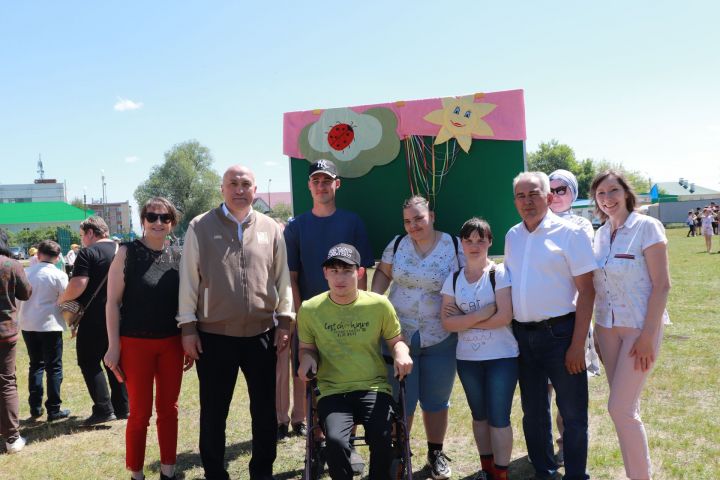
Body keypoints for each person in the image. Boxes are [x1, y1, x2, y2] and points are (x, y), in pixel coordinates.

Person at [177, 165, 293, 480]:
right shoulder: (199, 226)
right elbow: (188, 280)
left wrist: (285, 320)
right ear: (222, 189)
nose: (239, 189)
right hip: (214, 337)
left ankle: (262, 470)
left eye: (245, 184)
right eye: (233, 184)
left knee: (265, 410)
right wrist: (188, 327)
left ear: (255, 190)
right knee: (214, 411)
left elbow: (282, 279)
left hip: (262, 333)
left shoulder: (271, 228)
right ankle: (214, 472)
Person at [282, 159, 374, 469]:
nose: (321, 186)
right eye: (316, 181)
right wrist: (299, 318)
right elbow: (291, 277)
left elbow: (362, 273)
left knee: (350, 379)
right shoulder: (296, 227)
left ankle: (348, 445)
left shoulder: (353, 222)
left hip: (349, 319)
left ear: (337, 184)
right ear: (309, 186)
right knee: (313, 381)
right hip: (311, 321)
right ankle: (319, 443)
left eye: (327, 180)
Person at [504, 172, 596, 480]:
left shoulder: (571, 234)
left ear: (549, 197)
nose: (527, 201)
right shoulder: (512, 236)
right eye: (520, 196)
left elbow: (588, 290)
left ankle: (575, 475)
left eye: (533, 194)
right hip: (523, 337)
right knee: (533, 414)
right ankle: (544, 471)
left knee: (572, 414)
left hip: (561, 336)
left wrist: (577, 345)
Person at [297, 243, 413, 480]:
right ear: (325, 273)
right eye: (334, 270)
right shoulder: (309, 309)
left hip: (374, 387)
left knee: (382, 437)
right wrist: (306, 361)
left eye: (347, 271)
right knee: (337, 442)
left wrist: (402, 352)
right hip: (332, 390)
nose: (340, 277)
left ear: (360, 273)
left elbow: (396, 340)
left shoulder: (379, 305)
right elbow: (306, 349)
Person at [371, 195, 462, 480]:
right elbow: (384, 274)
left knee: (437, 401)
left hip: (441, 336)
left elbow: (469, 275)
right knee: (402, 402)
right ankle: (400, 454)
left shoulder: (454, 245)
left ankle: (436, 453)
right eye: (408, 221)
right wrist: (375, 301)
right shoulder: (397, 244)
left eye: (419, 218)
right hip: (400, 337)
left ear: (432, 216)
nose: (413, 225)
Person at [591, 170, 671, 480]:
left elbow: (662, 285)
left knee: (620, 410)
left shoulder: (647, 227)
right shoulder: (599, 234)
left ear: (626, 193)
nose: (607, 198)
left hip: (639, 328)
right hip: (607, 330)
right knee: (626, 411)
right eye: (601, 194)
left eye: (613, 191)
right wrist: (597, 334)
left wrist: (649, 335)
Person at [104, 197, 185, 480]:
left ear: (172, 223)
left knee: (169, 410)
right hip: (135, 344)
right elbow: (112, 302)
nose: (158, 222)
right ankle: (136, 473)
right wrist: (113, 347)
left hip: (172, 344)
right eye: (152, 217)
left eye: (165, 218)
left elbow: (187, 304)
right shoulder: (127, 252)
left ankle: (168, 470)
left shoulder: (179, 255)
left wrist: (187, 339)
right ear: (143, 220)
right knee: (139, 413)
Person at [440, 218, 516, 480]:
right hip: (468, 359)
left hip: (501, 358)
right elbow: (447, 322)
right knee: (479, 416)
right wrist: (482, 314)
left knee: (498, 417)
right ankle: (487, 470)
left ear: (489, 242)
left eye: (480, 239)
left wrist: (465, 320)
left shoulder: (500, 274)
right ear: (461, 244)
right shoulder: (453, 279)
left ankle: (502, 473)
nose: (474, 245)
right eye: (468, 240)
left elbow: (504, 317)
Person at [58, 216, 128, 425]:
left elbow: (79, 283)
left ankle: (103, 409)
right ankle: (123, 406)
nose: (83, 240)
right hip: (123, 315)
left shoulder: (88, 252)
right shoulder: (124, 249)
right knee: (115, 361)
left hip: (95, 317)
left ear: (90, 233)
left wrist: (62, 298)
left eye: (82, 235)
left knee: (89, 361)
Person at [18, 240, 70, 422]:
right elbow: (65, 299)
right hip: (50, 325)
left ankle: (35, 406)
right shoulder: (58, 275)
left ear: (38, 255)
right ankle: (54, 408)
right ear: (57, 258)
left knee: (36, 365)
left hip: (28, 323)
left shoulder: (25, 272)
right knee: (54, 367)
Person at [0, 228, 32, 453]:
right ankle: (12, 438)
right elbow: (26, 293)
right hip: (4, 332)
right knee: (6, 382)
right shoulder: (10, 265)